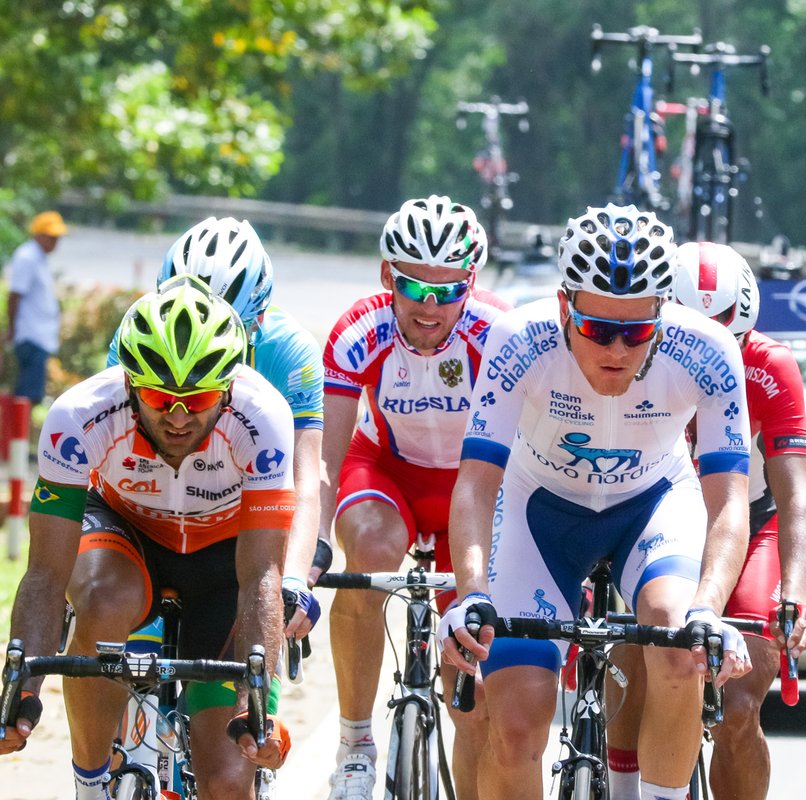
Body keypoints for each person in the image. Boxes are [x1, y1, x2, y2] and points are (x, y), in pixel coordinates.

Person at [441, 204, 754, 800]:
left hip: (654, 504)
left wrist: (708, 608)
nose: (615, 349)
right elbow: (478, 483)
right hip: (540, 512)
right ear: (565, 307)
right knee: (512, 728)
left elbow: (729, 502)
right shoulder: (519, 339)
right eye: (595, 329)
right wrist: (473, 593)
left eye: (635, 332)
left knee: (678, 643)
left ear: (664, 313)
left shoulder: (709, 350)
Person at [0, 279, 297, 799]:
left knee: (228, 784)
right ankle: (90, 785)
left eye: (198, 398)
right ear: (131, 385)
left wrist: (260, 704)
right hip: (125, 537)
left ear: (228, 389)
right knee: (102, 599)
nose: (178, 416)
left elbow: (260, 576)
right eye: (160, 398)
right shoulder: (79, 415)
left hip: (223, 562)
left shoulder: (264, 418)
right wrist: (19, 690)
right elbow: (46, 574)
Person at [603, 241, 806, 800]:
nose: (712, 357)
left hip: (747, 525)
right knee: (635, 660)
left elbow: (795, 497)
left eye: (731, 339)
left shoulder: (770, 366)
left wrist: (794, 596)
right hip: (651, 519)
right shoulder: (627, 353)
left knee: (738, 708)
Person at [320, 195, 508, 800]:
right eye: (413, 287)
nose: (430, 306)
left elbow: (529, 455)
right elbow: (326, 457)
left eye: (448, 290)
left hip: (471, 489)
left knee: (472, 692)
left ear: (471, 284)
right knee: (370, 552)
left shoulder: (497, 334)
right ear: (385, 277)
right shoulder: (359, 332)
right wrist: (314, 551)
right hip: (385, 472)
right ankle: (354, 744)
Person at [107, 217, 325, 643]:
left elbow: (304, 479)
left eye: (232, 329)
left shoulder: (290, 351)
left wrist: (295, 579)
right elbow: (112, 446)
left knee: (258, 639)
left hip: (243, 508)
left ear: (258, 319)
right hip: (152, 505)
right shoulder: (139, 333)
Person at [6, 210, 67, 404]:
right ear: (38, 234)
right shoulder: (27, 257)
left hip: (39, 336)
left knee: (31, 395)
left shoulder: (38, 257)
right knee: (26, 396)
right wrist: (12, 329)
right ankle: (18, 435)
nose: (55, 242)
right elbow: (14, 295)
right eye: (51, 237)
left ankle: (21, 433)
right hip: (30, 335)